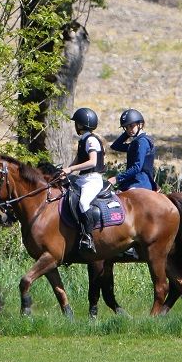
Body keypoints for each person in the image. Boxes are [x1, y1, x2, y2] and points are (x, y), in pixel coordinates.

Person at [59, 107, 105, 253]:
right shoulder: (83, 140)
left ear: (80, 124)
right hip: (83, 179)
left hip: (93, 179)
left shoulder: (91, 140)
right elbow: (78, 159)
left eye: (76, 123)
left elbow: (92, 162)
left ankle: (88, 236)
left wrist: (71, 170)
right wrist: (65, 171)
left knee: (84, 203)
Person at [109, 108, 157, 192]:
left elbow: (137, 167)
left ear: (140, 124)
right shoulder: (136, 142)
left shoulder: (142, 142)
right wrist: (128, 133)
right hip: (132, 181)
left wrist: (117, 179)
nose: (129, 129)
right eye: (126, 128)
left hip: (140, 183)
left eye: (131, 126)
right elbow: (115, 146)